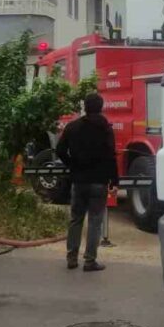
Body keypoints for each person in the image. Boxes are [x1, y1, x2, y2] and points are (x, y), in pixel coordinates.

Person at [56, 92, 118, 272]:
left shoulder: (73, 127)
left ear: (84, 106)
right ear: (101, 107)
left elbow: (60, 150)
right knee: (95, 221)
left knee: (75, 219)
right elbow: (111, 156)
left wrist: (72, 165)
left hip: (79, 181)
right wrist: (114, 181)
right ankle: (90, 261)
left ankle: (71, 258)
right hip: (99, 182)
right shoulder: (105, 128)